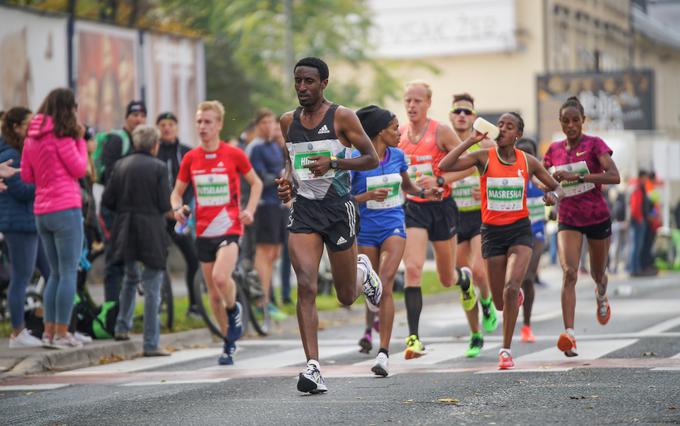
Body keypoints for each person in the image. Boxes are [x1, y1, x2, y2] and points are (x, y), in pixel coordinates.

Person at [275, 57, 383, 394]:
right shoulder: (287, 121)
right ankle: (313, 366)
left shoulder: (342, 117)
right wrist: (286, 181)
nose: (302, 88)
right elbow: (290, 161)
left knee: (346, 296)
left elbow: (371, 158)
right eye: (298, 81)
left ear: (324, 83)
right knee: (305, 283)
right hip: (305, 210)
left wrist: (335, 161)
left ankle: (362, 271)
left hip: (339, 209)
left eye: (309, 81)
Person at [439, 112, 559, 369]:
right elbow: (445, 166)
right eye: (500, 125)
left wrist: (552, 197)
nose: (502, 129)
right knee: (500, 302)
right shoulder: (483, 157)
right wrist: (471, 139)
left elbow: (552, 186)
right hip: (492, 233)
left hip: (520, 230)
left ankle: (505, 350)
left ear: (518, 135)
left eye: (509, 126)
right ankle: (511, 298)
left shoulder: (528, 162)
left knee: (513, 286)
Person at [352, 105, 442, 376]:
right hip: (366, 228)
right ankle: (371, 292)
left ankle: (383, 353)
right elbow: (344, 198)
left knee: (387, 283)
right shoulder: (357, 159)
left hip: (393, 225)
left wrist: (425, 194)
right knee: (375, 286)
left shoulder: (398, 156)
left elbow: (407, 186)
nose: (399, 133)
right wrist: (366, 197)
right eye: (394, 128)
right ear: (380, 132)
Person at [171, 101, 263, 365]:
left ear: (219, 124)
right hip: (203, 231)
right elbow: (176, 192)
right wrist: (177, 208)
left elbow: (255, 183)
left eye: (208, 121)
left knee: (222, 279)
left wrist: (250, 210)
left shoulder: (233, 154)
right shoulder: (191, 158)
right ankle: (228, 343)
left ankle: (234, 309)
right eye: (199, 121)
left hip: (230, 226)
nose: (202, 126)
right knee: (212, 293)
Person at [398, 81, 475, 359]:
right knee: (413, 270)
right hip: (416, 208)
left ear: (428, 103)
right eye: (408, 100)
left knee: (445, 278)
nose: (412, 106)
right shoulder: (399, 134)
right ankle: (414, 338)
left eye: (417, 101)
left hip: (442, 207)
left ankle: (462, 279)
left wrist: (441, 179)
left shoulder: (440, 131)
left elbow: (470, 164)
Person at [544, 96, 620, 357]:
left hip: (597, 216)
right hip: (568, 218)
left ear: (583, 121)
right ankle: (570, 335)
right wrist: (549, 193)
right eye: (566, 120)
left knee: (598, 274)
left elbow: (615, 176)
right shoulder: (553, 150)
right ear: (561, 123)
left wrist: (579, 176)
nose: (571, 125)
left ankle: (601, 294)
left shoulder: (595, 145)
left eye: (576, 120)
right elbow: (543, 180)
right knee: (570, 273)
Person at [21, 88, 89, 349]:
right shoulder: (63, 137)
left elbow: (27, 176)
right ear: (67, 109)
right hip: (66, 210)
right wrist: (80, 141)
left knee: (54, 274)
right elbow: (79, 168)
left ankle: (48, 332)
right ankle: (62, 333)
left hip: (42, 211)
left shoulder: (32, 138)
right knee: (68, 272)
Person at [102, 125, 172, 356]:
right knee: (152, 286)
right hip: (151, 228)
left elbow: (108, 200)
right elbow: (164, 204)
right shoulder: (159, 167)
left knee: (130, 278)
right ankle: (151, 343)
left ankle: (122, 326)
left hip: (125, 228)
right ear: (155, 145)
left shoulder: (121, 165)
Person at [448, 93, 499, 357]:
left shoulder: (487, 144)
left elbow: (502, 175)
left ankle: (488, 303)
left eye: (467, 112)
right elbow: (440, 174)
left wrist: (486, 189)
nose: (462, 116)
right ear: (450, 115)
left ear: (474, 117)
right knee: (464, 279)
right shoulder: (444, 142)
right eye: (457, 111)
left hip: (479, 216)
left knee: (479, 271)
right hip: (453, 218)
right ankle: (475, 334)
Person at [0, 107, 51, 348]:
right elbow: (20, 190)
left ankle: (51, 327)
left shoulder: (22, 150)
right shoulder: (11, 153)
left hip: (31, 221)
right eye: (29, 123)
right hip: (19, 224)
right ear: (16, 127)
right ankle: (17, 333)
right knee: (21, 277)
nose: (34, 128)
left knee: (52, 272)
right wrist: (43, 182)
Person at [100, 100, 147, 303]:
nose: (138, 119)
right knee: (115, 260)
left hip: (134, 209)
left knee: (131, 259)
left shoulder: (142, 141)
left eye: (142, 115)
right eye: (134, 115)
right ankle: (111, 310)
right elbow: (109, 174)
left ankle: (122, 312)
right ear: (127, 117)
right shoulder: (118, 140)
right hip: (115, 210)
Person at [155, 112, 200, 317]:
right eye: (163, 124)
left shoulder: (186, 152)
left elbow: (192, 182)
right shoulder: (153, 150)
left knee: (193, 257)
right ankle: (160, 302)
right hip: (158, 216)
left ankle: (194, 305)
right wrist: (165, 210)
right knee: (157, 260)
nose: (166, 128)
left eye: (170, 124)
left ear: (176, 127)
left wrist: (181, 207)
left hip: (180, 214)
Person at [249, 111, 288, 322]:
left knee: (275, 253)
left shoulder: (274, 145)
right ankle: (260, 302)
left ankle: (267, 299)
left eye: (271, 122)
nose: (268, 126)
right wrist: (278, 176)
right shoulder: (255, 148)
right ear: (257, 125)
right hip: (264, 205)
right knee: (264, 252)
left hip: (279, 204)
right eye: (263, 122)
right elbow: (256, 177)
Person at [515, 138, 546, 343]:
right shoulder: (513, 177)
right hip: (515, 231)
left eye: (529, 155)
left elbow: (557, 193)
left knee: (528, 277)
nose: (525, 159)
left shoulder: (540, 179)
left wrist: (554, 211)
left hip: (536, 232)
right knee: (512, 279)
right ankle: (513, 290)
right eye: (521, 154)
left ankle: (526, 325)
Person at [629, 170, 651, 277]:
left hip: (639, 221)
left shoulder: (640, 188)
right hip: (638, 221)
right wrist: (640, 218)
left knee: (637, 246)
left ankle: (636, 268)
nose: (646, 180)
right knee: (636, 246)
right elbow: (635, 206)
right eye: (645, 177)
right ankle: (634, 269)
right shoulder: (638, 189)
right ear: (641, 177)